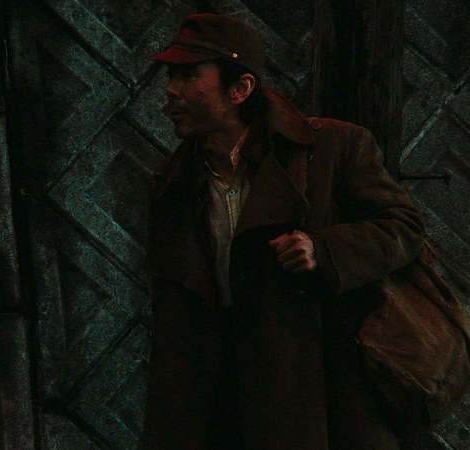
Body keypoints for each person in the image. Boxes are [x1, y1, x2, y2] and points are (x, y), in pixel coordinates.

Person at [140, 13, 425, 450]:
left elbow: (404, 227)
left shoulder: (331, 148)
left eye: (188, 74)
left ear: (240, 89)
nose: (171, 90)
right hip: (217, 396)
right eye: (170, 76)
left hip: (317, 388)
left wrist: (324, 251)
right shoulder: (173, 182)